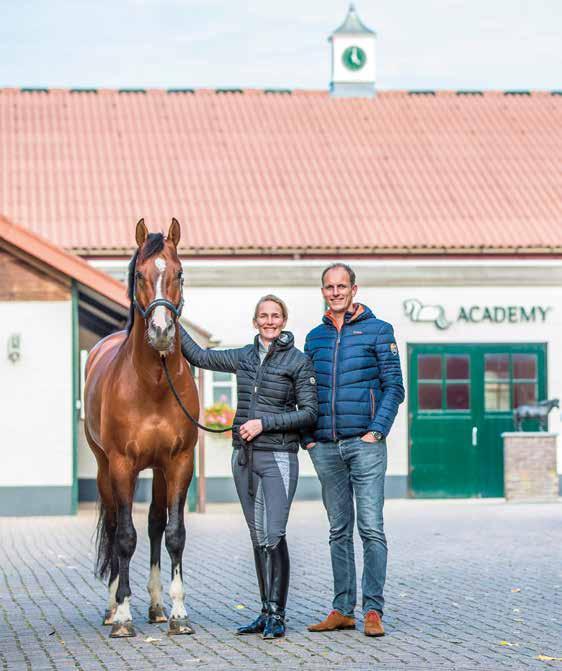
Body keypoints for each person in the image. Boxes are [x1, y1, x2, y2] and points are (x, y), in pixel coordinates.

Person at [179, 295, 317, 639]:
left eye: (275, 316)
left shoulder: (298, 362)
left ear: (283, 320)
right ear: (255, 321)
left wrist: (263, 423)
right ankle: (264, 612)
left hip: (279, 458)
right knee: (258, 539)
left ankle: (279, 615)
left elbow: (310, 413)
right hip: (244, 459)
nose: (269, 321)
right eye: (263, 316)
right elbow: (199, 356)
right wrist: (170, 314)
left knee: (274, 535)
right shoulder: (243, 356)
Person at [302, 263, 404, 638]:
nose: (335, 292)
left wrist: (377, 432)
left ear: (354, 289)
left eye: (341, 286)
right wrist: (308, 439)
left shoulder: (379, 331)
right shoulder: (314, 338)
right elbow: (305, 391)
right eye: (329, 287)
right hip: (326, 447)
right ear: (324, 291)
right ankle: (343, 609)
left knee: (372, 528)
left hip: (365, 445)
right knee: (338, 530)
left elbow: (395, 387)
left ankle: (373, 610)